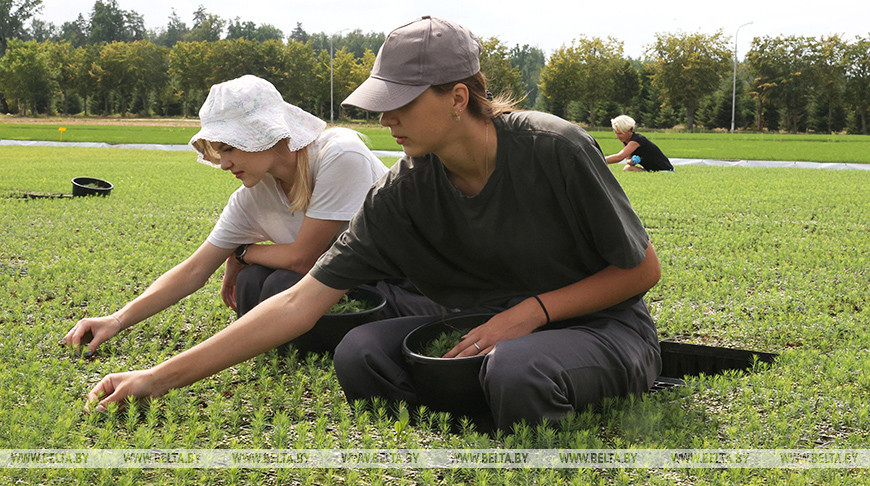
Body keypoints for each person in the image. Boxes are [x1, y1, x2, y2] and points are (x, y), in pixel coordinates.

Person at [79, 17, 662, 432]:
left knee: (518, 369)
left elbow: (641, 271)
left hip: (600, 328)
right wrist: (156, 377)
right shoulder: (402, 189)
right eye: (382, 103)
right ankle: (486, 405)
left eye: (401, 103)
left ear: (458, 96)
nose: (386, 120)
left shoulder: (553, 147)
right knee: (360, 354)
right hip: (480, 330)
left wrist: (531, 313)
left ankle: (507, 398)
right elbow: (297, 305)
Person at [64, 74, 391, 356]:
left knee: (278, 281)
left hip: (396, 284)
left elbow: (303, 259)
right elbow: (194, 270)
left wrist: (243, 253)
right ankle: (287, 347)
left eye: (230, 148)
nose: (223, 163)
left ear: (268, 135)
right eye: (220, 151)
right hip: (334, 289)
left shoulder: (339, 155)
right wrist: (117, 319)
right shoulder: (252, 196)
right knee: (253, 282)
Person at [604, 115, 674, 172]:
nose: (617, 137)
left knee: (627, 169)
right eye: (616, 133)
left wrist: (598, 159)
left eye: (620, 134)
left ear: (629, 131)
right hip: (651, 170)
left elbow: (619, 157)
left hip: (665, 170)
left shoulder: (637, 140)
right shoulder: (625, 142)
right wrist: (631, 161)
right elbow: (628, 160)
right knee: (627, 168)